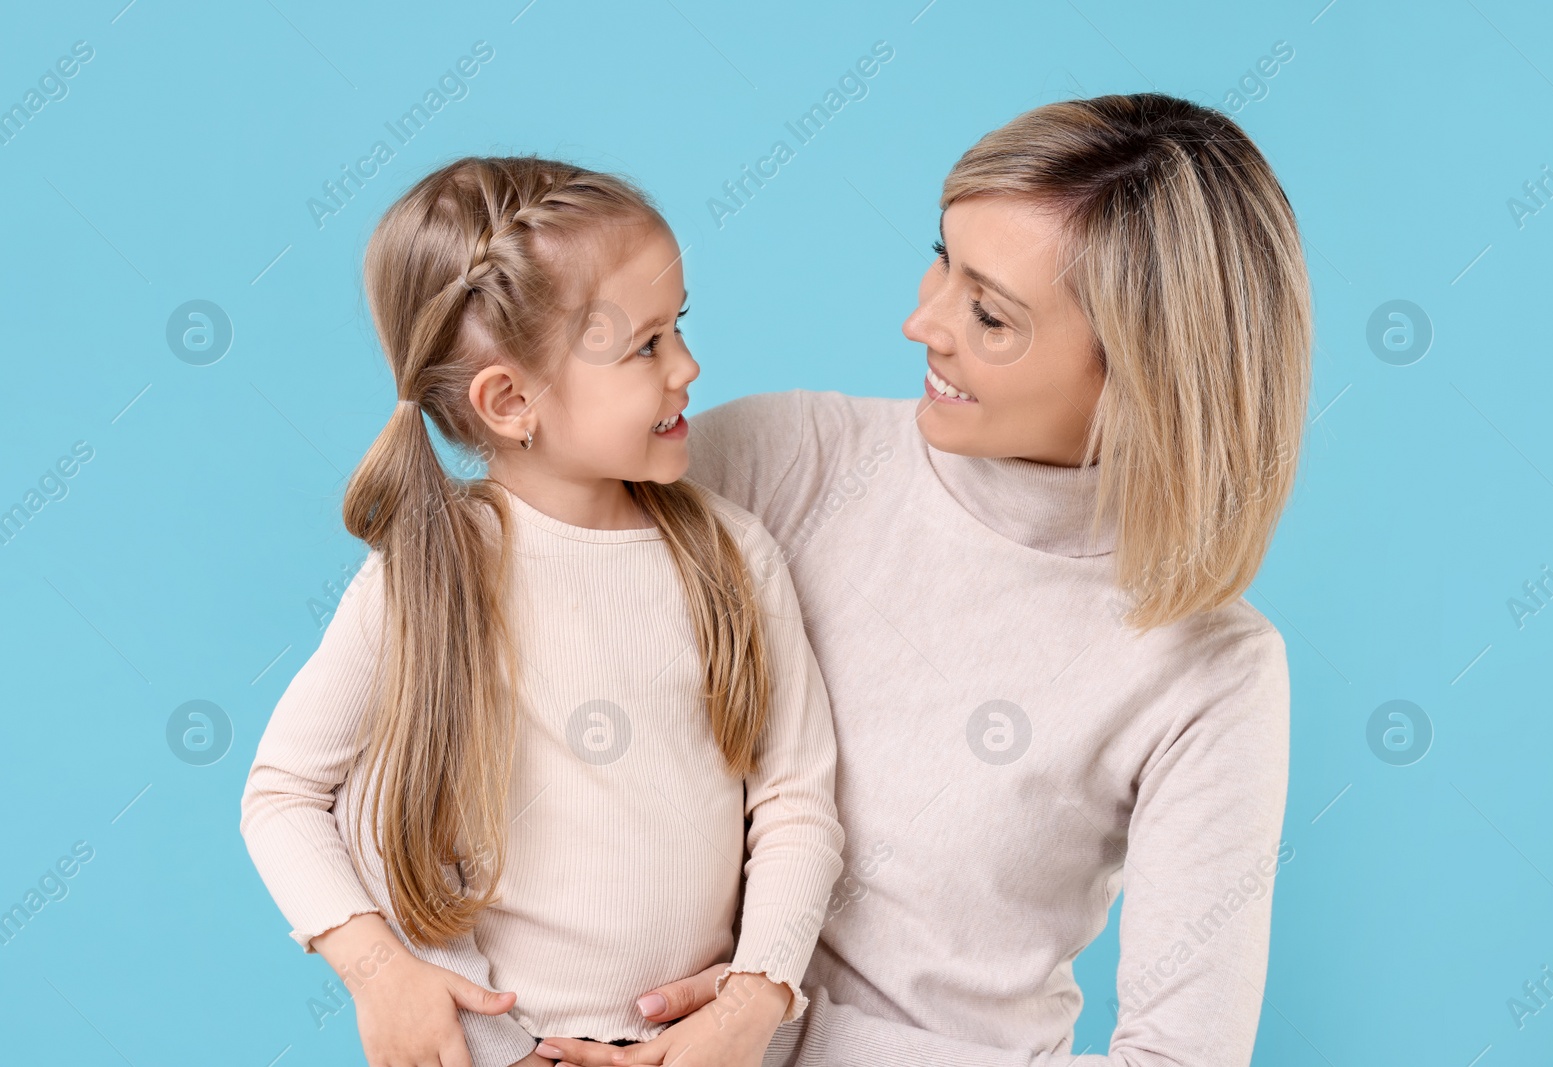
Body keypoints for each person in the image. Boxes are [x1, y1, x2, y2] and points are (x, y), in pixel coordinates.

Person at [539, 92, 1312, 1067]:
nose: (920, 322)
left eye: (988, 312)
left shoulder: (1209, 668)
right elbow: (479, 640)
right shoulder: (781, 459)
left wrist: (776, 1019)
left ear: (1139, 374)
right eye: (943, 260)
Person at [238, 156, 844, 1067]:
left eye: (680, 324)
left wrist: (750, 1005)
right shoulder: (434, 575)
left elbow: (797, 802)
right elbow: (284, 793)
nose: (688, 364)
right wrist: (381, 974)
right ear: (511, 400)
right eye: (645, 345)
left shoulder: (732, 553)